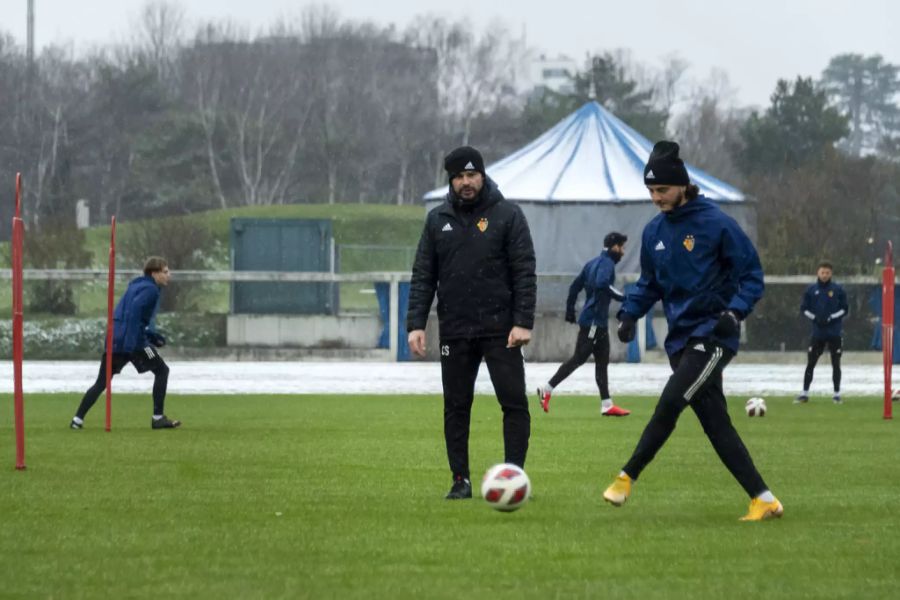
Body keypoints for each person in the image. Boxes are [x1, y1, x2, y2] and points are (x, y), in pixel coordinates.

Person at [601, 141, 782, 521]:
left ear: (682, 186)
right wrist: (630, 314)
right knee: (717, 425)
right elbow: (650, 283)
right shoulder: (654, 233)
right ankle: (763, 498)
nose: (656, 197)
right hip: (680, 340)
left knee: (670, 401)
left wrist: (735, 312)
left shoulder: (717, 224)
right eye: (650, 191)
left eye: (662, 190)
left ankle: (626, 476)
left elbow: (752, 275)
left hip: (713, 335)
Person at [407, 145, 536, 500]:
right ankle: (459, 480)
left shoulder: (508, 214)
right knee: (456, 407)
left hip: (501, 330)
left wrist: (523, 321)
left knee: (513, 404)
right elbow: (423, 275)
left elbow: (524, 270)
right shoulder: (437, 220)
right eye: (459, 177)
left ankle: (514, 476)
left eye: (471, 175)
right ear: (451, 180)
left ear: (482, 175)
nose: (466, 182)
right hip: (456, 330)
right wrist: (415, 323)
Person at [70, 257, 181, 430]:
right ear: (154, 273)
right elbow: (134, 313)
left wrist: (151, 335)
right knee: (162, 370)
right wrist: (136, 343)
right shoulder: (151, 290)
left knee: (101, 382)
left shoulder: (135, 286)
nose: (169, 275)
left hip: (115, 340)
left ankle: (77, 420)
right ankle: (158, 418)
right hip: (134, 343)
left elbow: (130, 317)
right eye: (165, 272)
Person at [537, 232, 631, 416]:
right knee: (579, 358)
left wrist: (570, 310)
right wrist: (624, 298)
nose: (623, 252)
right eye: (622, 247)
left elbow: (574, 286)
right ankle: (546, 388)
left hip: (597, 321)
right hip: (594, 321)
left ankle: (606, 404)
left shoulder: (592, 263)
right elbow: (603, 284)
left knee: (602, 362)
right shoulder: (607, 264)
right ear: (614, 247)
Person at [796, 261, 848, 404]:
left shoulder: (838, 289)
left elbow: (845, 309)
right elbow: (804, 309)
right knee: (811, 363)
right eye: (822, 272)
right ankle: (804, 393)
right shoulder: (811, 290)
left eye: (827, 273)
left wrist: (831, 317)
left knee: (836, 363)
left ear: (831, 274)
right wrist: (816, 318)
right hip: (818, 333)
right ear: (818, 273)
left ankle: (837, 394)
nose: (824, 275)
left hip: (834, 333)